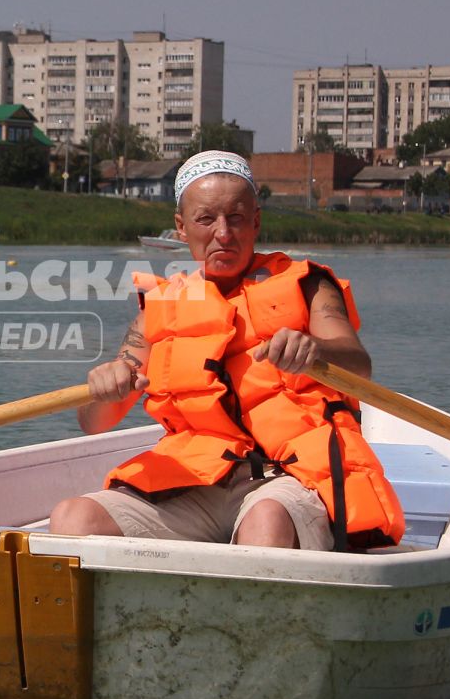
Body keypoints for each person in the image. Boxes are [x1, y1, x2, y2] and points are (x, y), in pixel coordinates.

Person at [49, 151, 405, 551]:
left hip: (288, 478)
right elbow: (94, 423)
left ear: (256, 221)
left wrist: (316, 351)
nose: (223, 233)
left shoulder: (308, 285)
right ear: (182, 229)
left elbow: (359, 367)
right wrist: (105, 385)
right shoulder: (160, 308)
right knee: (72, 518)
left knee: (265, 521)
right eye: (206, 219)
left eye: (236, 218)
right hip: (197, 481)